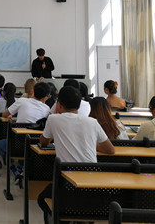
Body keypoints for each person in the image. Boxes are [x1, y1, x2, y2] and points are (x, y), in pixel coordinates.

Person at [37, 86, 115, 224]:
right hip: (92, 184)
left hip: (66, 184)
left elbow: (43, 142)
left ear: (59, 104)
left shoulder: (54, 119)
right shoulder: (92, 122)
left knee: (41, 198)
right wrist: (89, 143)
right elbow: (110, 150)